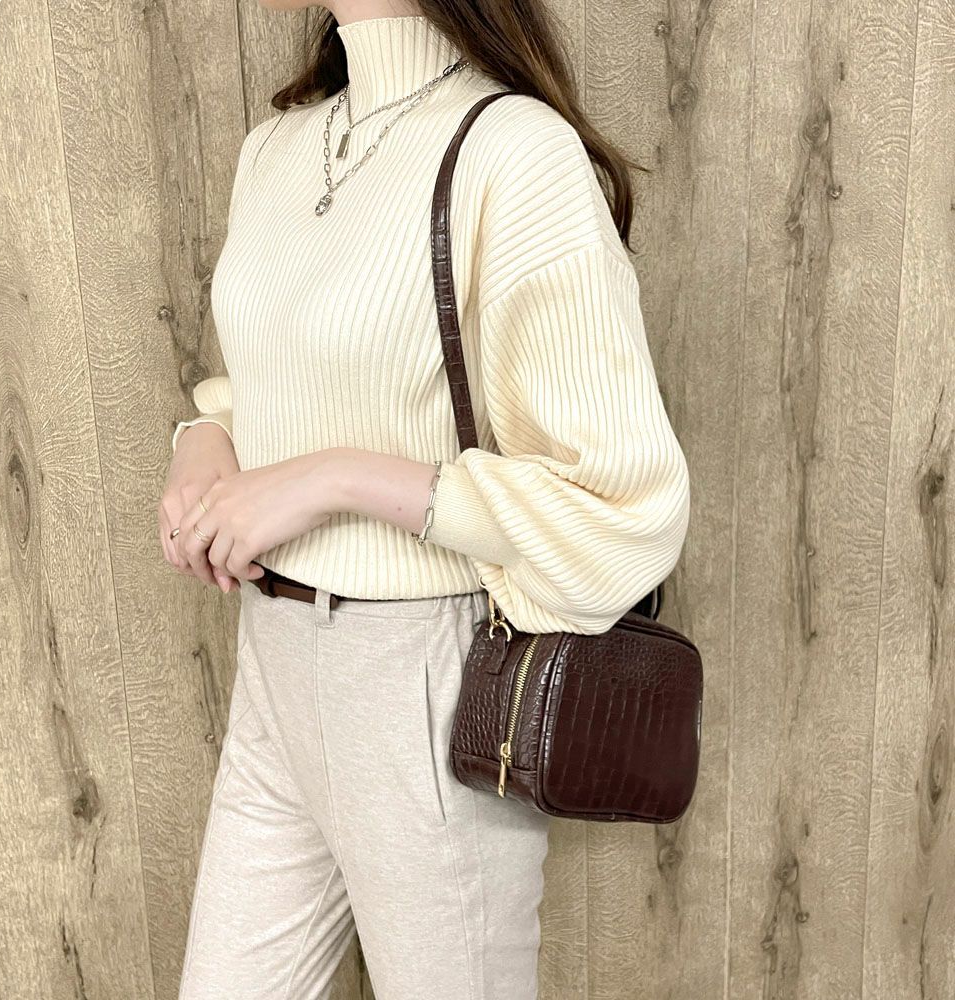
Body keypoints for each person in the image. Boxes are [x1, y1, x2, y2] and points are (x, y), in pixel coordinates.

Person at [159, 2, 691, 997]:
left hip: (422, 679)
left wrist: (336, 479)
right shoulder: (276, 149)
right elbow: (283, 378)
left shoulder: (513, 152)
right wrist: (206, 440)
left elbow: (622, 509)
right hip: (273, 666)